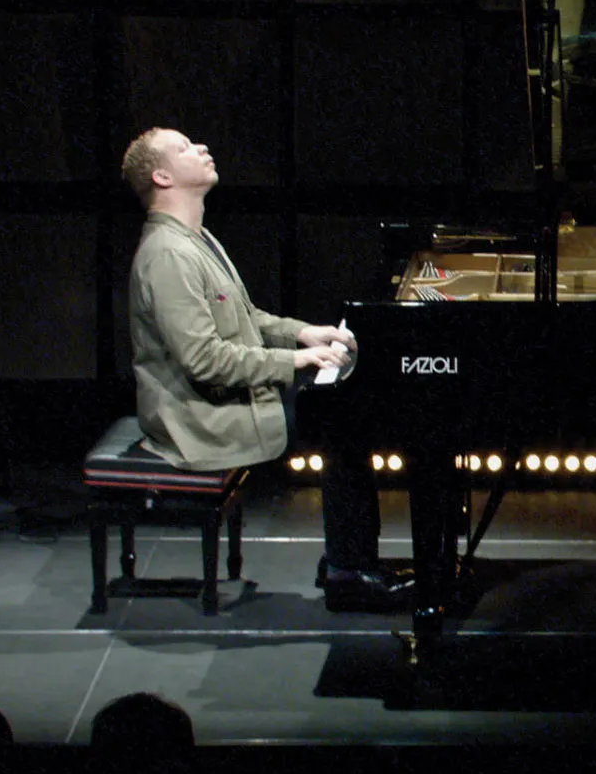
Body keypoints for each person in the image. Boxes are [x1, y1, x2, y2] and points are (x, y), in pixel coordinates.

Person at [121, 126, 410, 611]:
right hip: (197, 417)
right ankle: (349, 569)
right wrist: (296, 361)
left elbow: (246, 317)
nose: (203, 148)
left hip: (220, 397)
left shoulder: (196, 239)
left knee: (346, 414)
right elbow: (204, 360)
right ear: (162, 175)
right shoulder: (168, 254)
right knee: (344, 420)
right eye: (185, 147)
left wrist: (303, 333)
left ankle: (349, 560)